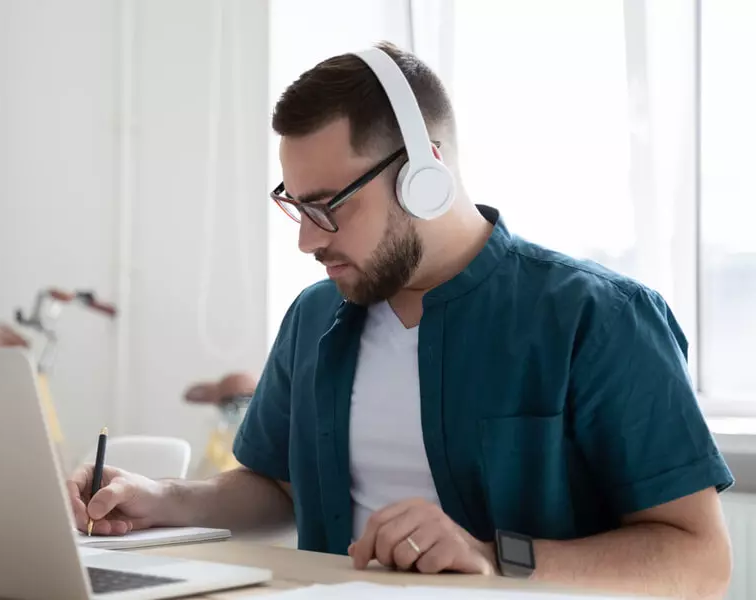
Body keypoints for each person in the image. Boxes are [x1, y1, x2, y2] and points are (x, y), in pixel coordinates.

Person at [68, 42, 734, 598]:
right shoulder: (315, 316)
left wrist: (493, 558)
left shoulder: (599, 319)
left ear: (425, 175)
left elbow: (700, 561)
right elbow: (278, 486)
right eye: (295, 206)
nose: (307, 240)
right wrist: (162, 498)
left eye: (328, 206)